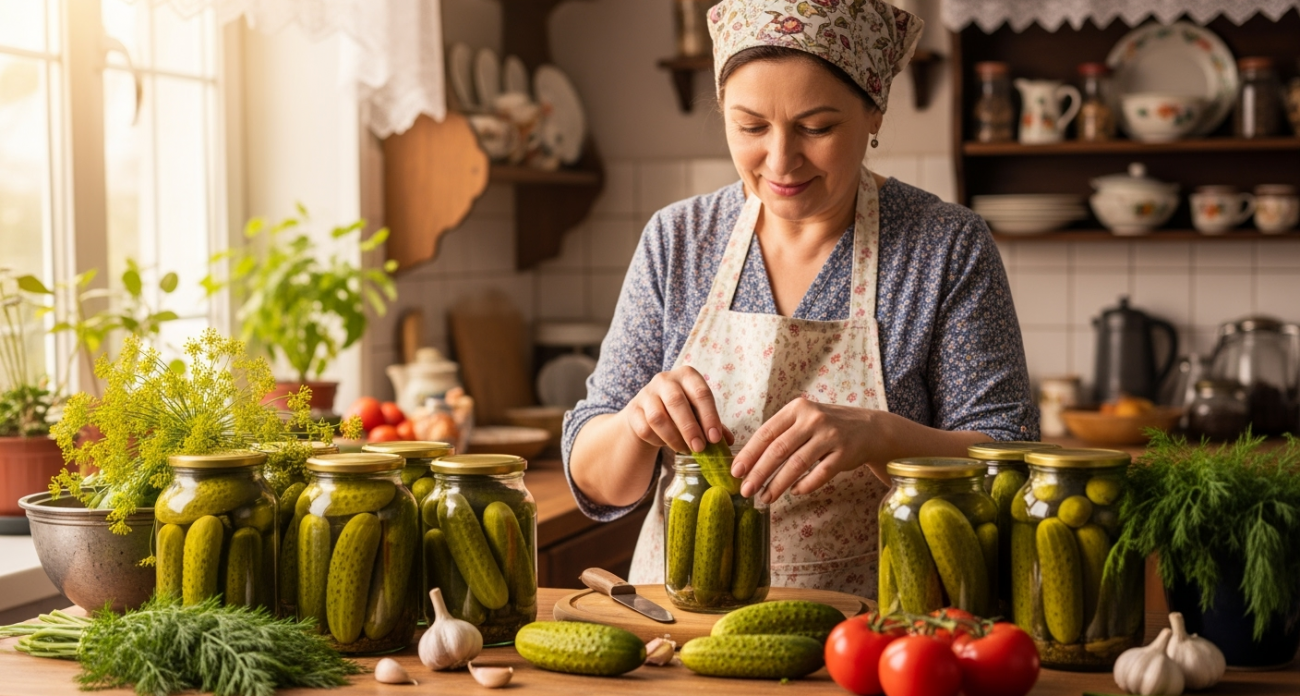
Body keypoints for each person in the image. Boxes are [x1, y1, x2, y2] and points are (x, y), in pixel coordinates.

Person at [562, 0, 1037, 596]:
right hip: (685, 625)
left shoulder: (944, 245)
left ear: (874, 113)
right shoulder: (677, 240)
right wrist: (636, 424)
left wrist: (885, 437)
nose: (781, 160)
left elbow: (1011, 463)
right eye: (751, 126)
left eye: (818, 127)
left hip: (884, 627)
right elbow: (596, 477)